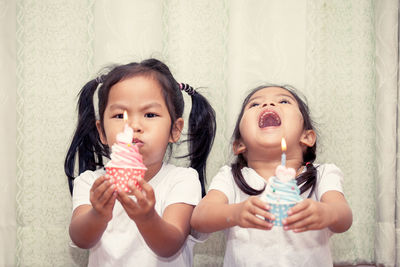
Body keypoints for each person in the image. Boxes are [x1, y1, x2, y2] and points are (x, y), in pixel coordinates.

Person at [64, 58, 216, 266]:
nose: (134, 125)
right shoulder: (91, 183)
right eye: (119, 115)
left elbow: (170, 245)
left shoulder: (182, 180)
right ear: (102, 132)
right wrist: (98, 213)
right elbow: (80, 239)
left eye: (150, 114)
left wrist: (147, 218)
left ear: (175, 130)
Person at [191, 85, 352, 266]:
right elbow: (199, 218)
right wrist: (235, 213)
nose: (268, 103)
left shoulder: (322, 174)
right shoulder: (230, 178)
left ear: (307, 137)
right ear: (239, 145)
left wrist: (327, 213)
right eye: (254, 104)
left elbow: (344, 217)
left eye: (284, 101)